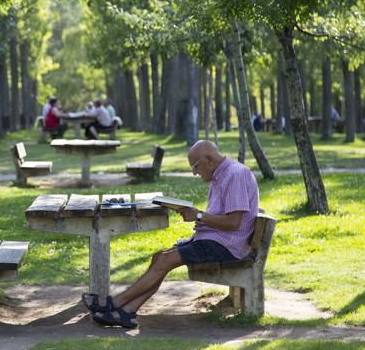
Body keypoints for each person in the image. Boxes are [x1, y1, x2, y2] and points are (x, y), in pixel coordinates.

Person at [81, 140, 259, 328]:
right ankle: (127, 312)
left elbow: (234, 222)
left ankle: (113, 304)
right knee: (160, 258)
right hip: (214, 240)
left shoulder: (235, 175)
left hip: (227, 247)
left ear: (209, 159)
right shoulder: (220, 176)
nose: (194, 172)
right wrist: (196, 214)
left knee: (166, 260)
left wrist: (198, 214)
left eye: (195, 166)